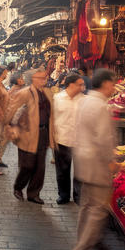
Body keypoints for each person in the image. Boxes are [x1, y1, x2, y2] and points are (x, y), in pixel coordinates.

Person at [71, 69, 117, 250]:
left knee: (87, 205)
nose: (113, 88)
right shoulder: (100, 106)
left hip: (82, 160)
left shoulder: (84, 101)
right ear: (106, 84)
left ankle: (80, 245)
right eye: (112, 84)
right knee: (98, 207)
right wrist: (112, 161)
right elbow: (105, 139)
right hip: (97, 162)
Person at [4, 68, 56, 204]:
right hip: (27, 133)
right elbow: (11, 110)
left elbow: (52, 113)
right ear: (33, 79)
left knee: (40, 166)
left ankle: (33, 193)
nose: (43, 80)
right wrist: (8, 125)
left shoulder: (47, 93)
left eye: (44, 77)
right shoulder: (24, 93)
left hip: (43, 132)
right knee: (27, 165)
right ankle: (18, 187)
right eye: (39, 78)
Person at [53, 73, 85, 205]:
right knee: (62, 171)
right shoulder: (57, 98)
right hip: (61, 139)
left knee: (80, 171)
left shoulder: (84, 100)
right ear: (71, 85)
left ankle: (78, 196)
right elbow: (52, 118)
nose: (83, 87)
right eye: (80, 84)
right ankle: (64, 195)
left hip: (80, 140)